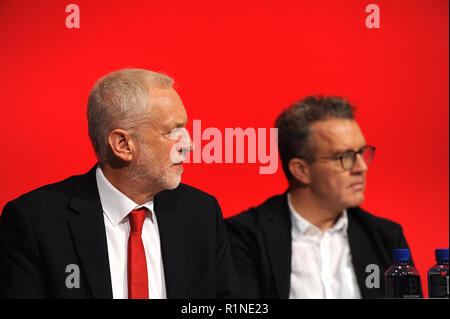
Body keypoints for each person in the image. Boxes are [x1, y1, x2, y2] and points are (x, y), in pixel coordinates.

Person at [0, 68, 240, 299]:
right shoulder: (35, 222)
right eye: (171, 132)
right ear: (123, 145)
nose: (188, 145)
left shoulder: (201, 213)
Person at [225, 95, 415, 299]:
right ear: (301, 170)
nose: (361, 167)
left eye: (361, 152)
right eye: (344, 157)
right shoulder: (245, 237)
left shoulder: (385, 237)